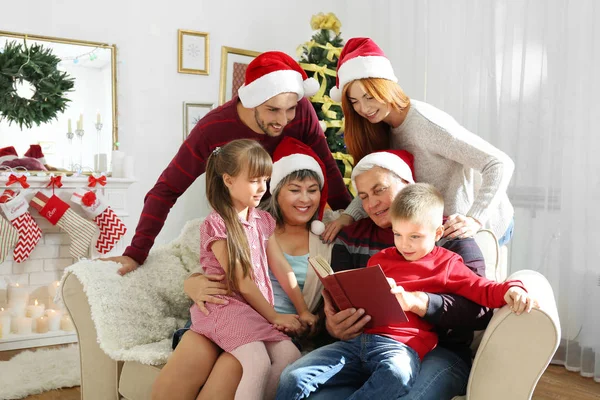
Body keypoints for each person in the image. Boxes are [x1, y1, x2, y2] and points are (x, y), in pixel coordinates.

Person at [103, 51, 352, 275]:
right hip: (239, 218)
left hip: (288, 214)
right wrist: (136, 253)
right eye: (273, 110)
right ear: (251, 100)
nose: (284, 119)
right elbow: (166, 189)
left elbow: (327, 166)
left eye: (290, 109)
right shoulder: (212, 129)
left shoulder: (302, 111)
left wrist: (350, 217)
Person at [277, 183, 535, 399]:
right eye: (398, 235)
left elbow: (482, 289)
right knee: (292, 377)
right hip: (358, 342)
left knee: (397, 375)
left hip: (401, 348)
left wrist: (513, 288)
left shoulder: (447, 263)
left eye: (415, 237)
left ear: (437, 233)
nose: (404, 244)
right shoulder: (380, 259)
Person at [152, 137, 334, 400]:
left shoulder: (262, 220)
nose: (262, 188)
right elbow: (242, 280)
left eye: (265, 180)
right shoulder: (219, 223)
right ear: (228, 180)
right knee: (254, 361)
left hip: (253, 314)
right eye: (254, 181)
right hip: (227, 309)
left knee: (289, 355)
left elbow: (280, 266)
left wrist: (303, 310)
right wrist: (275, 317)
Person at [321, 37, 515, 248]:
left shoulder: (425, 124)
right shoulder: (377, 128)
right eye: (354, 102)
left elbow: (498, 163)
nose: (364, 108)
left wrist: (475, 218)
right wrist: (349, 216)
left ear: (384, 87)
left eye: (369, 96)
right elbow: (377, 183)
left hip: (478, 226)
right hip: (435, 229)